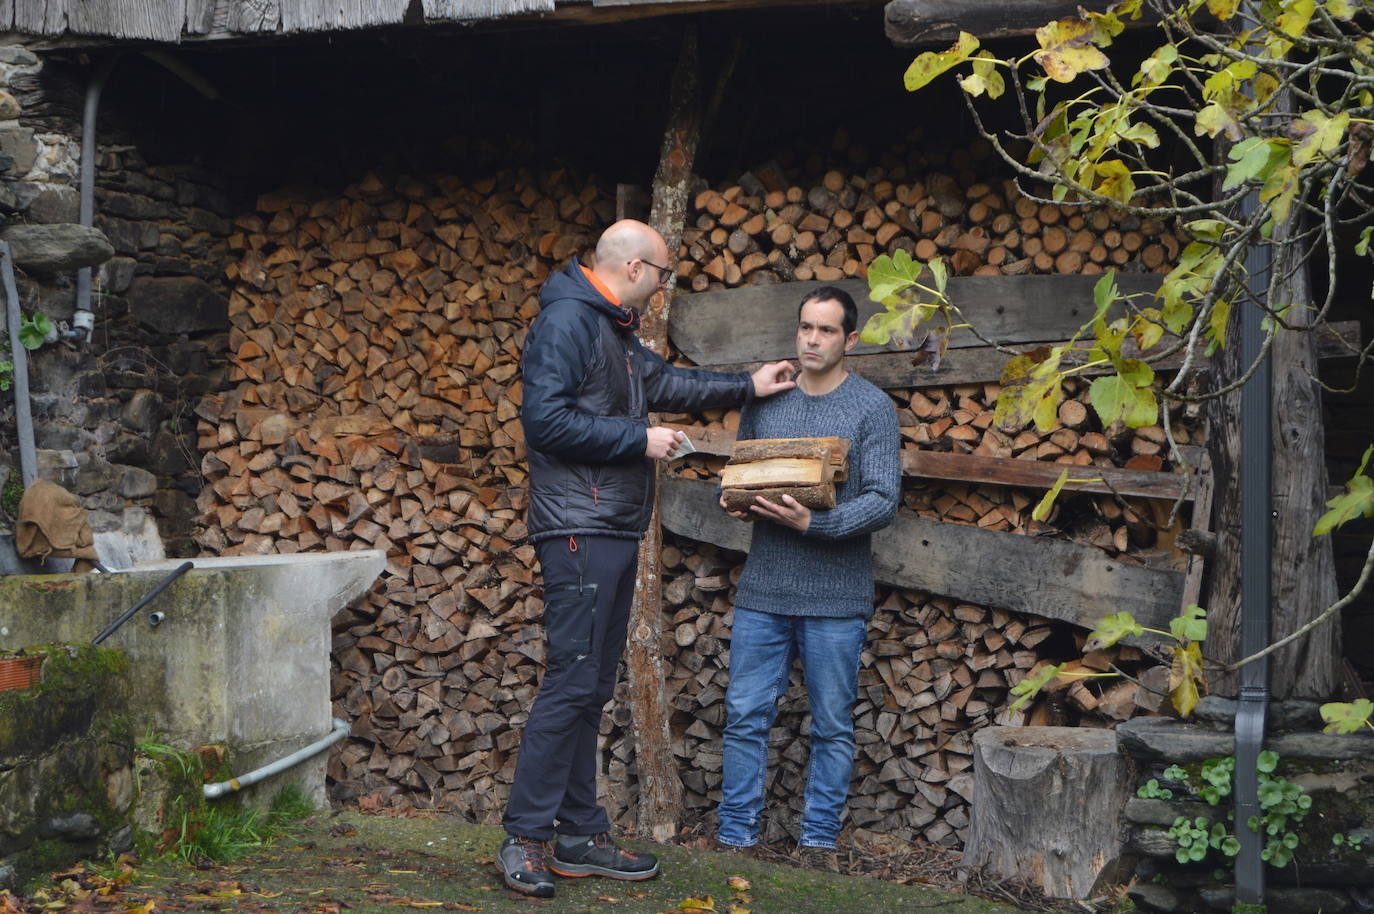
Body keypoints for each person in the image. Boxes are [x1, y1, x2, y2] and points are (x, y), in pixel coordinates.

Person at [498, 219, 796, 898]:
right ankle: (523, 838)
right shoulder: (568, 324)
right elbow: (544, 423)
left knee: (590, 687)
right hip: (579, 525)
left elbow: (667, 386)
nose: (665, 289)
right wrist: (639, 440)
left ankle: (578, 836)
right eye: (663, 275)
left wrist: (749, 385)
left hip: (607, 524)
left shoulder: (614, 330)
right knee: (572, 680)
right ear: (634, 268)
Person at [715, 285, 901, 869]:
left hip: (835, 596)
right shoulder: (769, 401)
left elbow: (883, 499)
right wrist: (735, 498)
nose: (811, 340)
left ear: (849, 339)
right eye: (804, 328)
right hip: (764, 587)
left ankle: (818, 841)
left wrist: (815, 523)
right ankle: (735, 835)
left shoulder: (872, 408)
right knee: (746, 715)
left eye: (824, 330)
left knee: (831, 725)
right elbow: (747, 474)